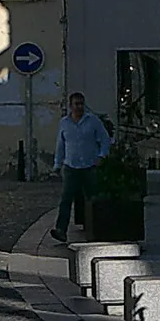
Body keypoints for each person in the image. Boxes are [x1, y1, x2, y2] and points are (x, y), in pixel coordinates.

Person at [50, 91, 111, 244]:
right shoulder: (64, 123)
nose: (79, 107)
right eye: (76, 104)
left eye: (81, 104)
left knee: (93, 198)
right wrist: (57, 164)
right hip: (71, 166)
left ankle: (97, 229)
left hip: (90, 165)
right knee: (66, 199)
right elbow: (61, 145)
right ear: (70, 106)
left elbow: (105, 139)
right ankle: (60, 230)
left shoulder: (93, 121)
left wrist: (101, 156)